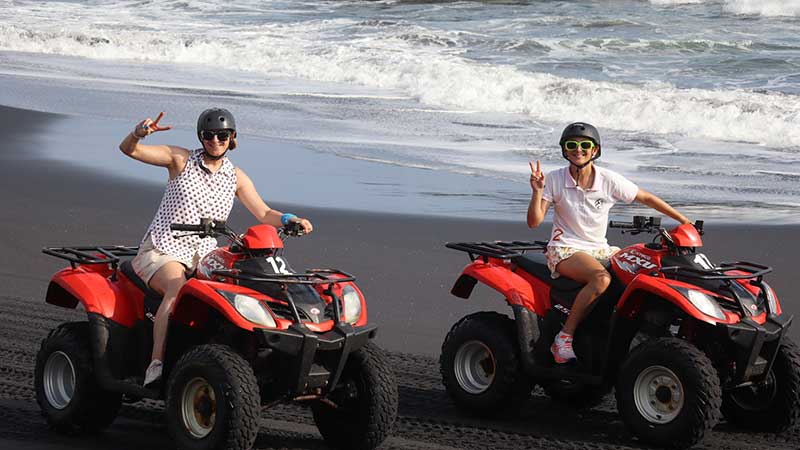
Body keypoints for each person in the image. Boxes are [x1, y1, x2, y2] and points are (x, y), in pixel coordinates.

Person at [119, 108, 313, 387]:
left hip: (205, 255)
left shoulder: (235, 176)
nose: (215, 140)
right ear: (201, 136)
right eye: (209, 135)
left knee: (242, 288)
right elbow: (129, 150)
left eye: (222, 135)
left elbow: (263, 212)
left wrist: (289, 219)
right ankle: (156, 364)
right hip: (164, 249)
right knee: (177, 288)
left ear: (232, 137)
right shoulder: (180, 159)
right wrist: (138, 134)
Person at [526, 122, 690, 364]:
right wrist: (537, 191)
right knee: (601, 279)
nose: (578, 149)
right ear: (564, 149)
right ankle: (564, 338)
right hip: (565, 248)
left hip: (599, 249)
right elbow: (534, 222)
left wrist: (683, 221)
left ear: (595, 150)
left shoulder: (607, 180)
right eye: (571, 145)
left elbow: (646, 197)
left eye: (585, 145)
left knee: (641, 273)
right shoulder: (554, 179)